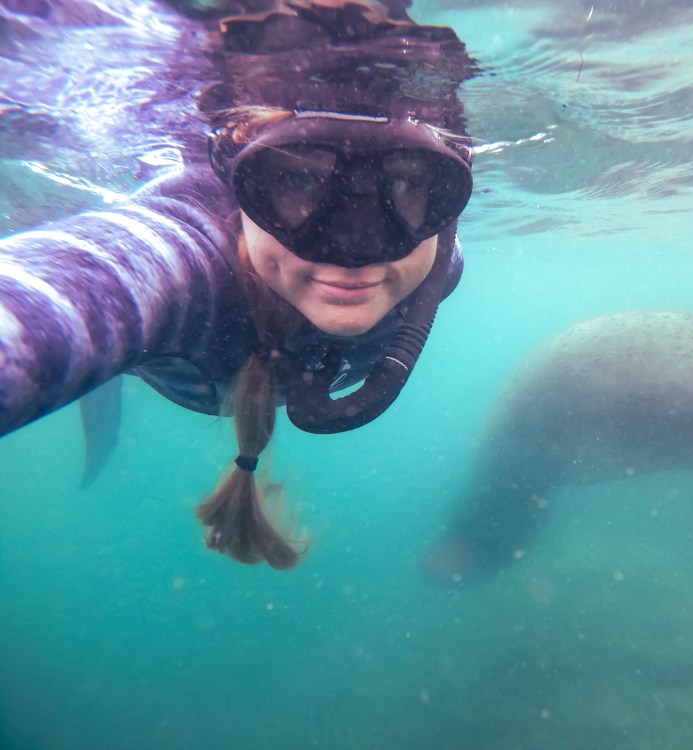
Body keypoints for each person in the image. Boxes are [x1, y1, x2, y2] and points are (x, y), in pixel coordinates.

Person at [0, 0, 476, 569]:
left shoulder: (438, 266)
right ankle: (109, 367)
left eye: (406, 182)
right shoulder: (184, 262)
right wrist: (99, 330)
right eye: (297, 179)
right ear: (235, 185)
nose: (355, 250)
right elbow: (67, 288)